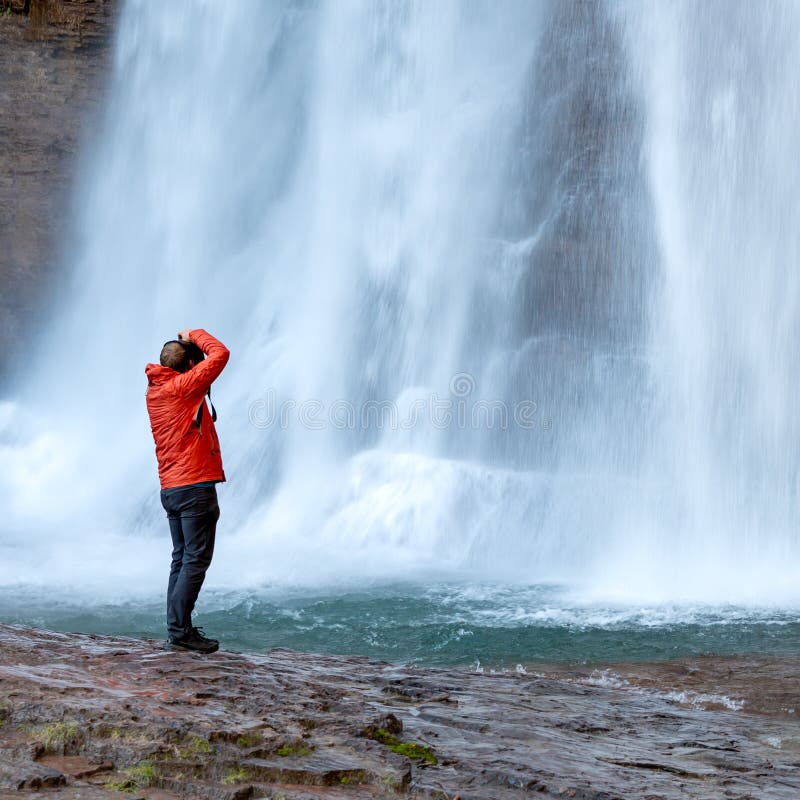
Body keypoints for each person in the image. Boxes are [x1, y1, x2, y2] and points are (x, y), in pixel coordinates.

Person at [145, 328, 230, 653]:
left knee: (181, 559)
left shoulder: (157, 390)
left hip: (172, 488)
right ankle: (180, 632)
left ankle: (178, 628)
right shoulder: (183, 388)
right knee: (194, 560)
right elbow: (220, 354)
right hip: (194, 486)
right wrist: (194, 333)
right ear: (191, 366)